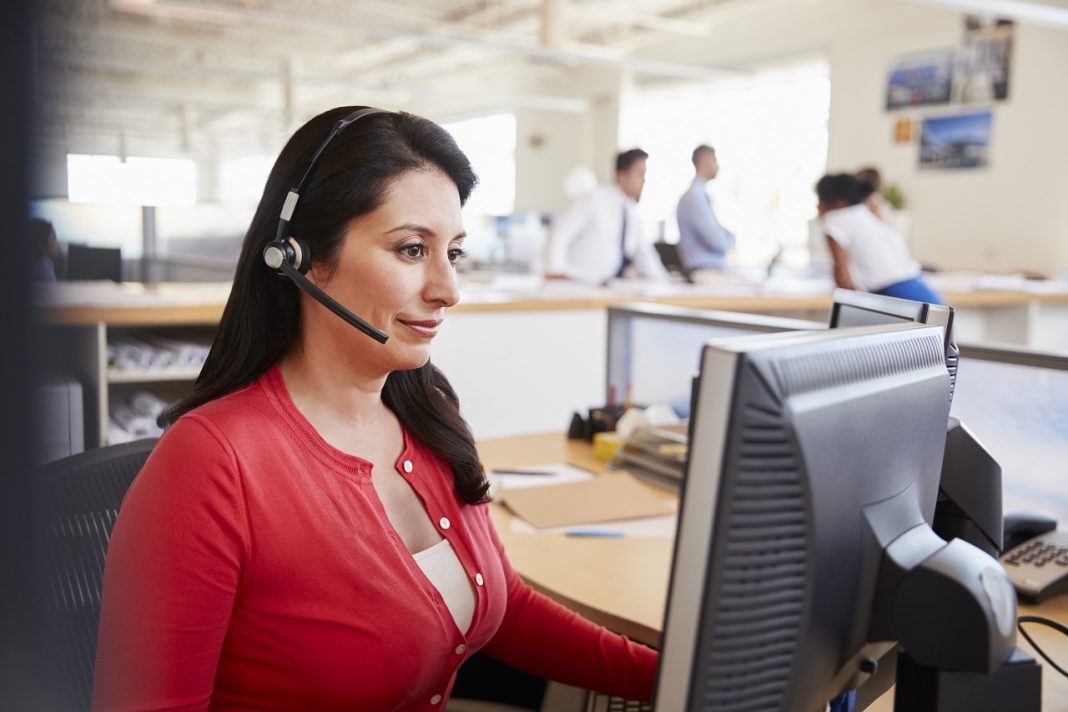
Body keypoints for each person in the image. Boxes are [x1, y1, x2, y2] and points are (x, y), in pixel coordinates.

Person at [91, 107, 657, 711]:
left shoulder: (426, 413)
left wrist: (680, 680)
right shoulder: (212, 464)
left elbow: (502, 605)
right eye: (412, 249)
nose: (449, 290)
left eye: (454, 253)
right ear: (301, 257)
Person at [545, 149, 669, 285]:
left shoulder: (631, 213)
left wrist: (665, 281)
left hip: (605, 286)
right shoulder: (594, 199)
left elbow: (645, 255)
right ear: (621, 176)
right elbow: (560, 233)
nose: (644, 181)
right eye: (639, 174)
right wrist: (554, 271)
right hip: (574, 282)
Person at [816, 173, 943, 304]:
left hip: (891, 292)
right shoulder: (866, 214)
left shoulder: (834, 219)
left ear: (837, 201)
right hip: (916, 287)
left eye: (820, 200)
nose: (817, 206)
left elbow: (841, 275)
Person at [676, 145, 735, 279]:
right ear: (703, 161)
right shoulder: (694, 197)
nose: (717, 166)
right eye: (714, 160)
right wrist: (729, 238)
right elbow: (719, 242)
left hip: (710, 270)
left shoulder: (700, 196)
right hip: (703, 272)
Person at [27, 217, 59, 282]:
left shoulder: (42, 264)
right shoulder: (43, 268)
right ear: (42, 243)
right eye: (54, 237)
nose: (57, 242)